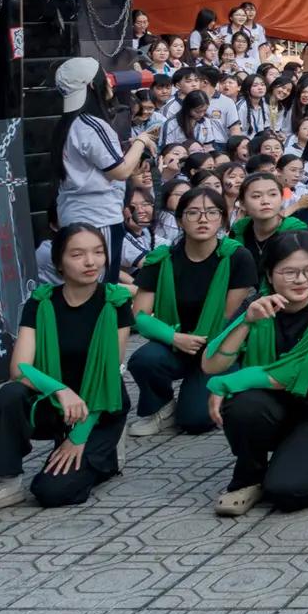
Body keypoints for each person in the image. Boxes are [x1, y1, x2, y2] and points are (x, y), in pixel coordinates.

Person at [0, 226, 133, 519]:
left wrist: (78, 437)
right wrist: (61, 390)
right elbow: (19, 369)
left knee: (51, 491)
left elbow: (109, 375)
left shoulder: (114, 302)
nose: (91, 262)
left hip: (100, 407)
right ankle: (6, 481)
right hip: (56, 404)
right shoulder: (41, 302)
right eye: (78, 254)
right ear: (58, 262)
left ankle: (103, 456)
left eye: (97, 252)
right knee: (8, 396)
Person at [202, 231, 308, 516]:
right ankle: (249, 476)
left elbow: (297, 371)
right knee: (243, 404)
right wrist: (245, 322)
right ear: (269, 272)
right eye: (289, 272)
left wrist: (226, 383)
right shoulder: (259, 304)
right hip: (277, 408)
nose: (301, 280)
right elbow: (211, 364)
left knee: (287, 491)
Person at [128, 187, 258, 437]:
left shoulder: (236, 257)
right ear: (179, 220)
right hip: (178, 344)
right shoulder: (162, 259)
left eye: (211, 212)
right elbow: (140, 316)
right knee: (144, 360)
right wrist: (174, 338)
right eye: (193, 212)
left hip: (218, 346)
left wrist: (203, 346)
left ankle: (222, 385)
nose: (203, 219)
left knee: (194, 421)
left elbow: (227, 318)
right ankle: (161, 408)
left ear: (222, 218)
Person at [51, 57, 160, 286]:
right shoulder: (92, 124)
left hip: (76, 213)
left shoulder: (69, 124)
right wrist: (141, 141)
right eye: (104, 78)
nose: (110, 83)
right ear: (93, 85)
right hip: (98, 218)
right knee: (98, 287)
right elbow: (119, 171)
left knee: (84, 285)